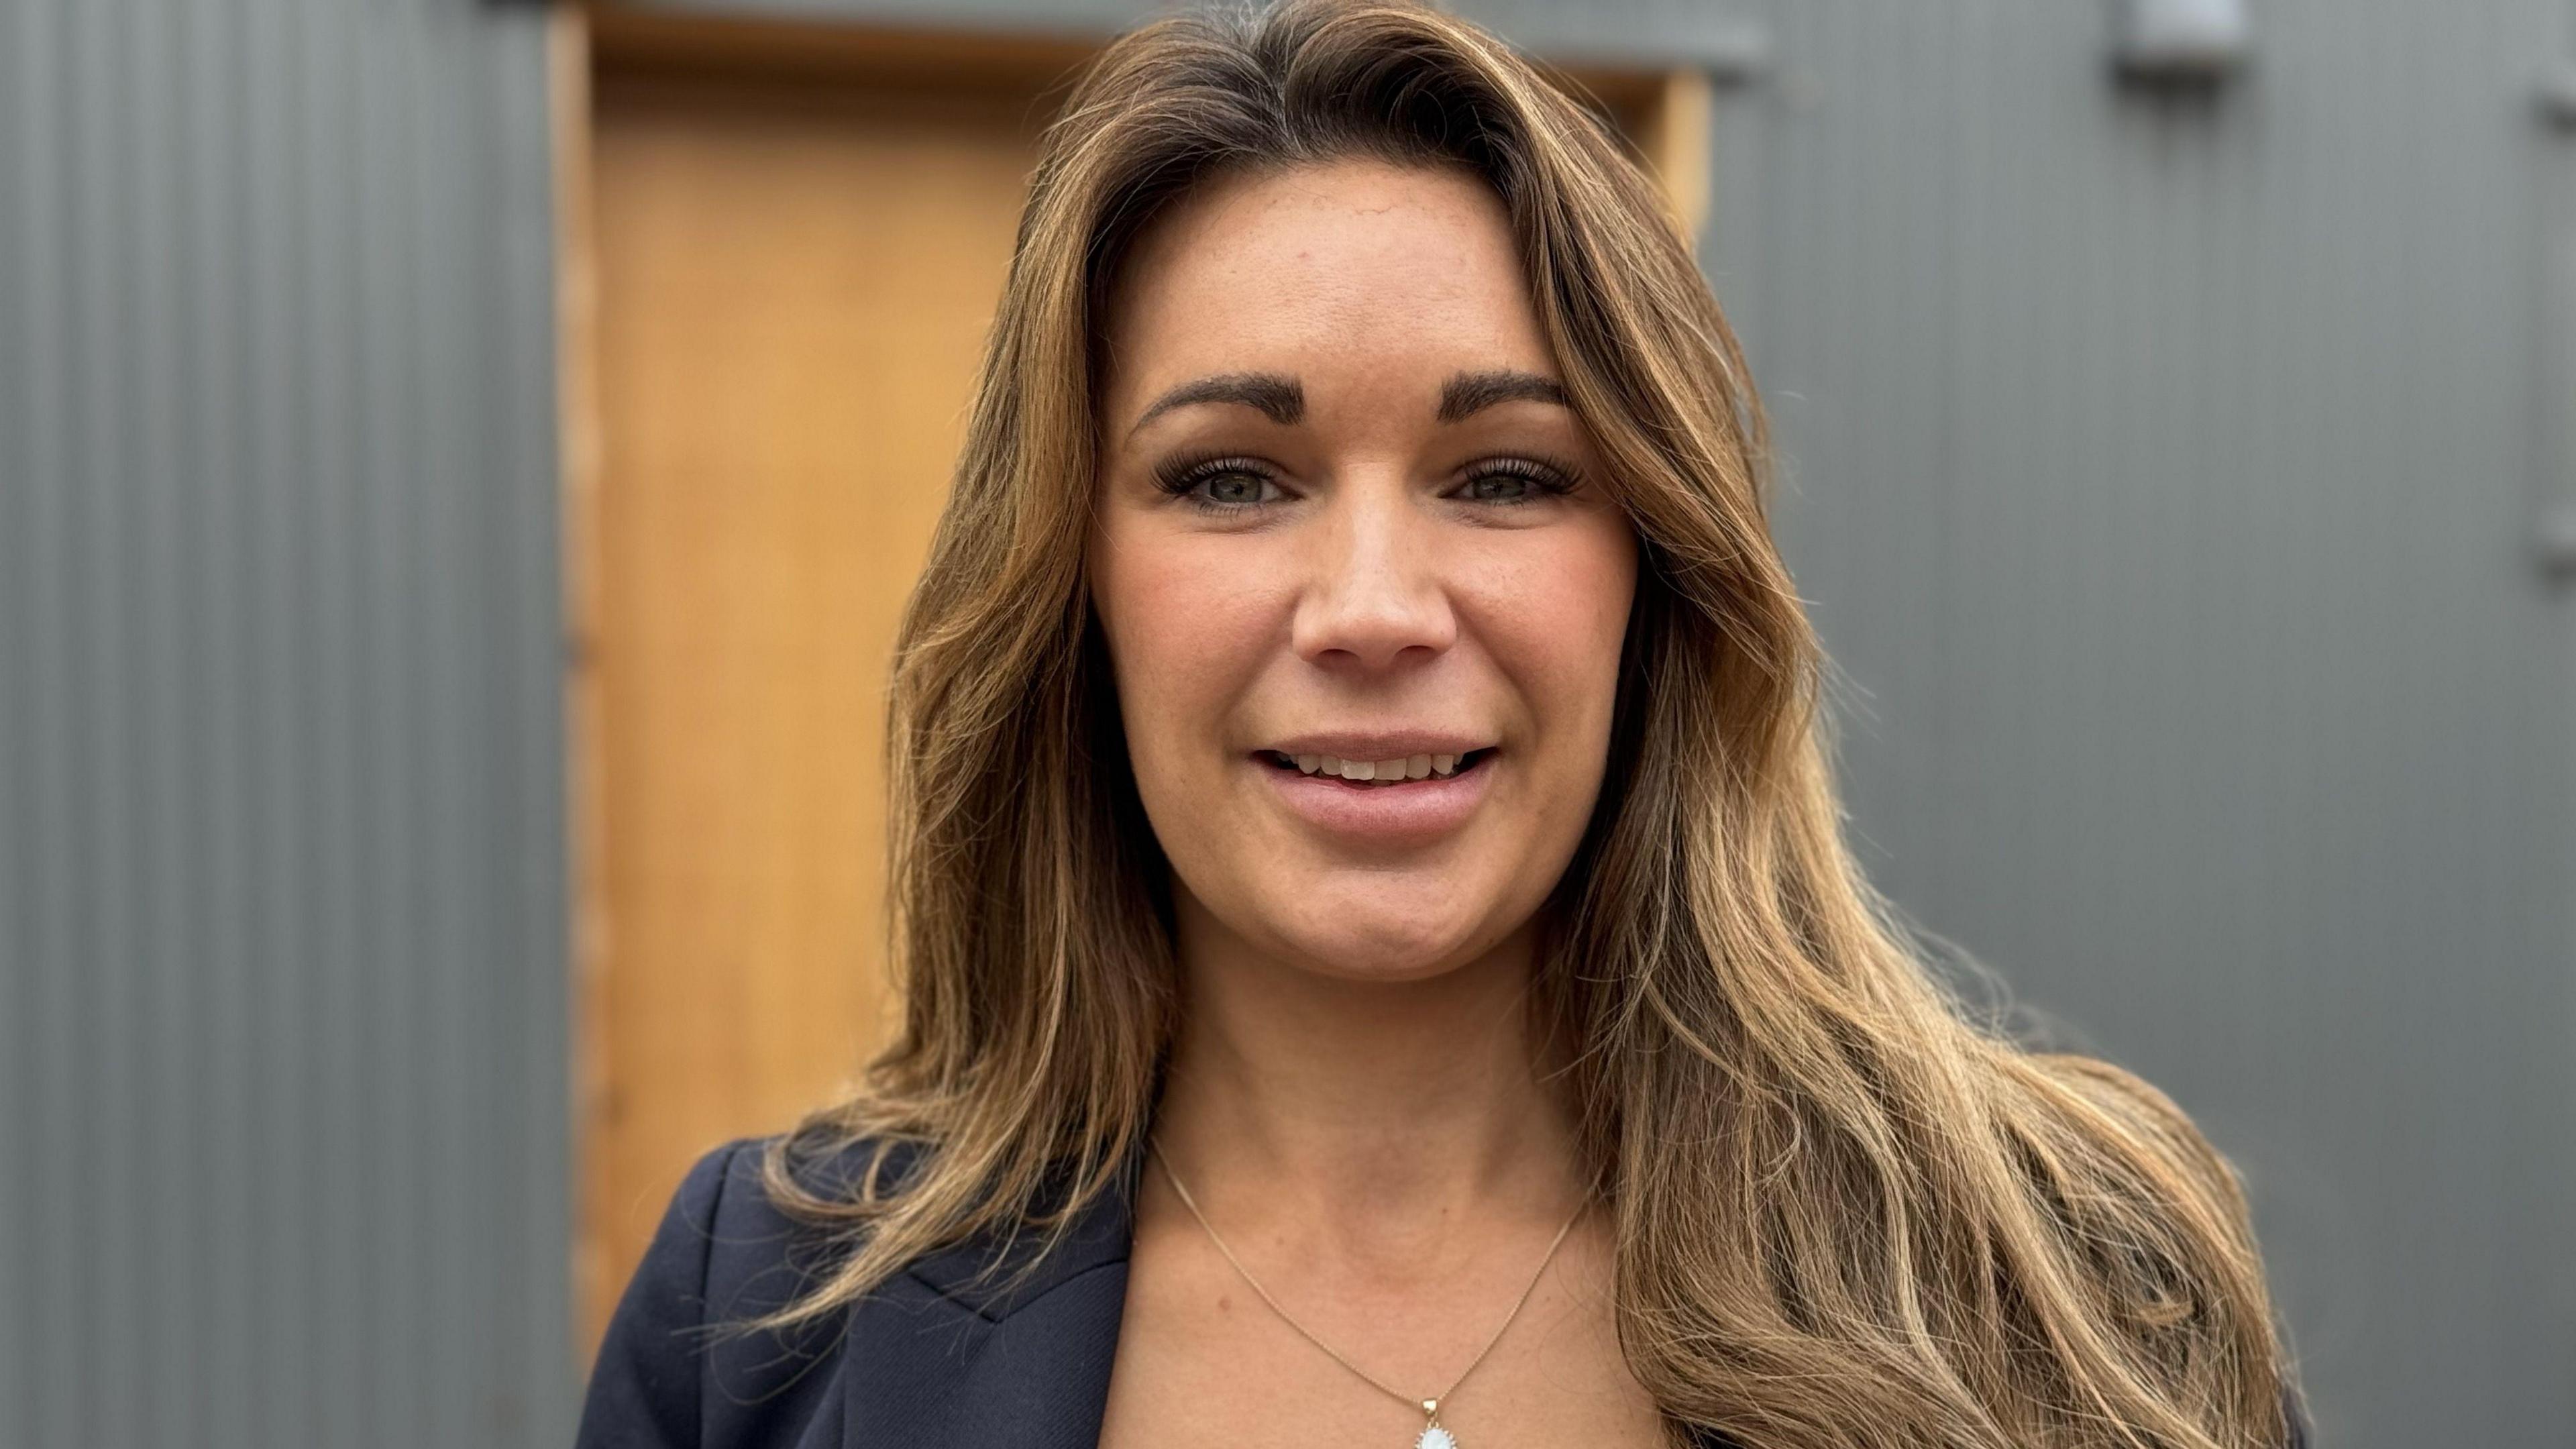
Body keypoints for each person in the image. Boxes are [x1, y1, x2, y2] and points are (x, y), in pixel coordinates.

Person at [574, 2, 2308, 1446]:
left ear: (1659, 571)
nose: (1377, 611)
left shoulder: (2076, 1284)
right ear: (1070, 579)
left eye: (1506, 478)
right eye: (1234, 478)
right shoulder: (771, 1318)